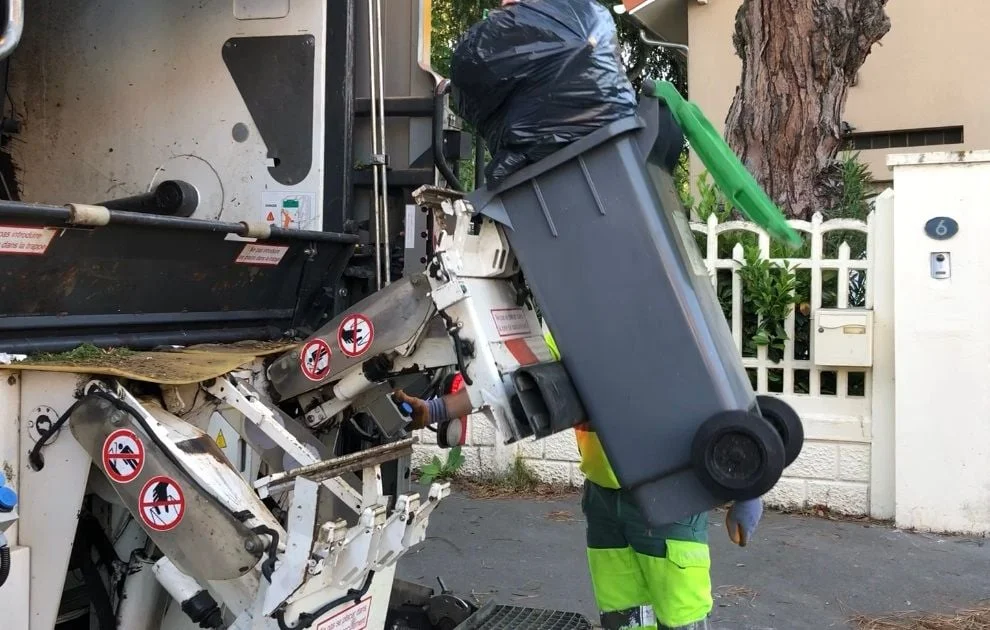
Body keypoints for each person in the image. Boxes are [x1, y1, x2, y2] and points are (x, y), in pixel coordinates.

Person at [394, 329, 763, 630]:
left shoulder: (665, 315)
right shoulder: (568, 324)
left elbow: (720, 388)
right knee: (625, 619)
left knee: (681, 620)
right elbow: (511, 385)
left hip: (668, 498)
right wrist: (438, 409)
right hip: (605, 502)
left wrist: (750, 485)